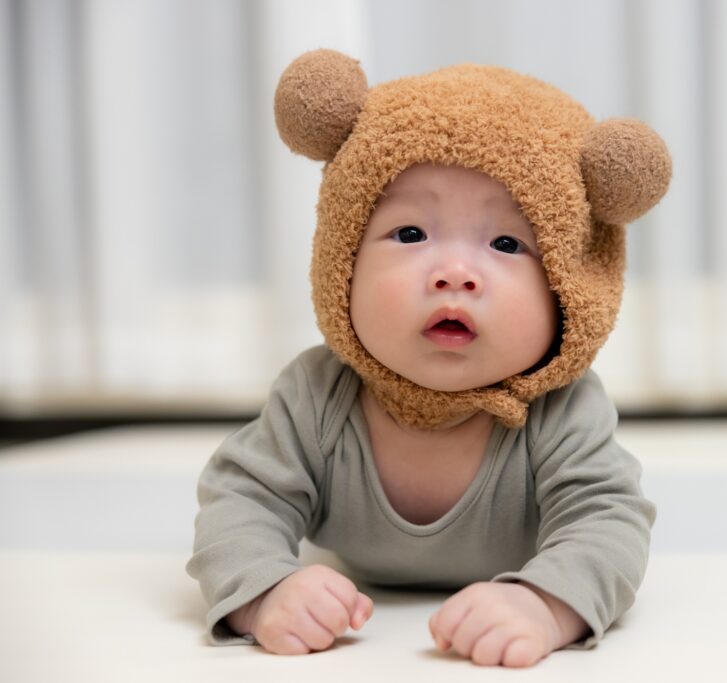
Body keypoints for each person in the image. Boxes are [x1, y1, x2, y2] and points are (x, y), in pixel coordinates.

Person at [186, 49, 671, 668]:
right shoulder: (316, 394)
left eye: (506, 243)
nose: (455, 275)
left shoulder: (563, 411)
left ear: (568, 289)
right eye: (411, 234)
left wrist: (546, 606)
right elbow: (241, 501)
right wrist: (264, 591)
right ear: (343, 260)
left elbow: (608, 524)